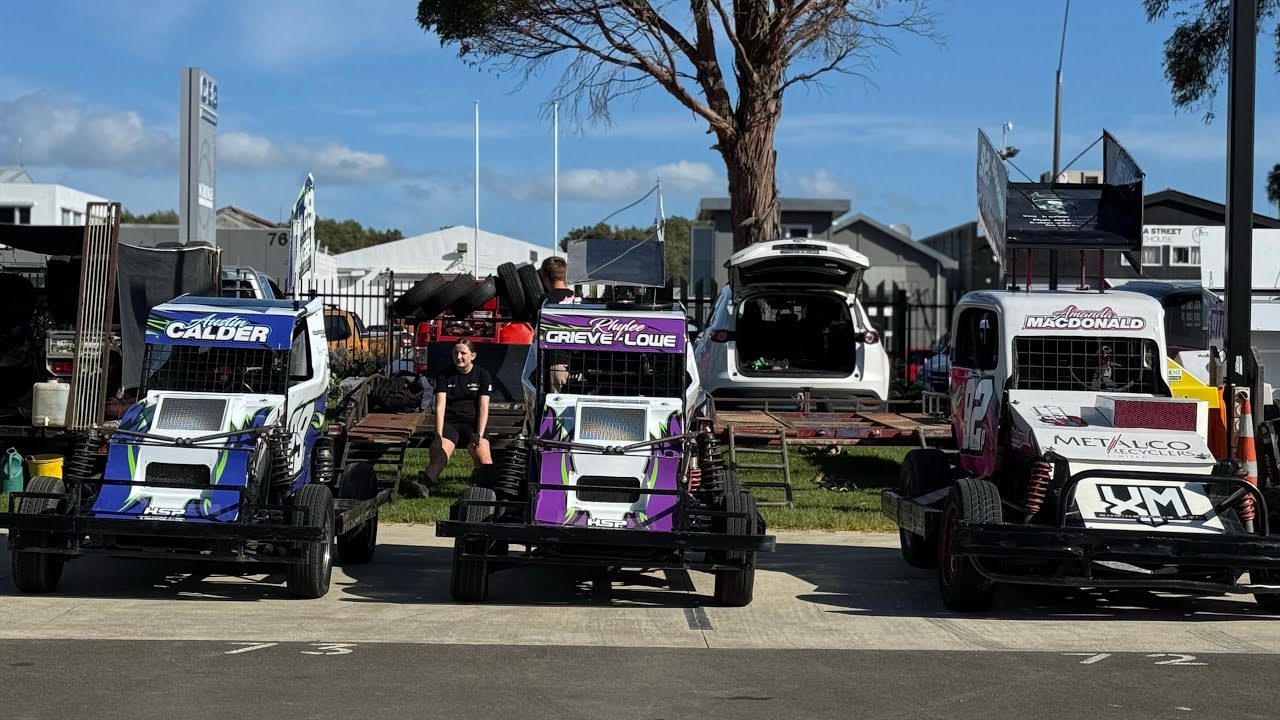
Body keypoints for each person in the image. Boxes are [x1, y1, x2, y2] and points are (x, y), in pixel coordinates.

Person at [409, 338, 493, 496]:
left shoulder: (482, 375)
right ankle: (424, 485)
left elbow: (483, 407)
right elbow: (440, 407)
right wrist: (438, 436)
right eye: (456, 353)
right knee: (439, 455)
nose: (459, 357)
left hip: (473, 424)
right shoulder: (445, 375)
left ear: (473, 356)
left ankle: (485, 489)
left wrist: (480, 434)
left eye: (463, 353)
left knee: (484, 459)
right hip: (451, 424)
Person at [539, 256, 577, 392]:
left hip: (557, 363)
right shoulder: (579, 297)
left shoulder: (546, 300)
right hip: (579, 364)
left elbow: (539, 332)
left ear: (544, 278)